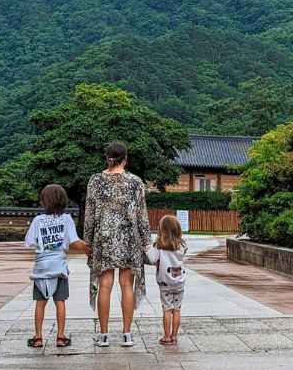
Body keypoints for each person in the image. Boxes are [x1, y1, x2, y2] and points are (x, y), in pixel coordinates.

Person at [83, 141, 150, 348]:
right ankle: (127, 334)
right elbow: (142, 216)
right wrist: (146, 242)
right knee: (126, 284)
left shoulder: (95, 181)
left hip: (103, 238)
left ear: (107, 158)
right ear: (125, 159)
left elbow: (90, 215)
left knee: (105, 284)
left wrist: (88, 241)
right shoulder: (136, 182)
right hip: (129, 239)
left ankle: (103, 335)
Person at [25, 184, 89, 349]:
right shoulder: (66, 219)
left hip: (41, 269)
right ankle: (60, 337)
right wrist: (88, 248)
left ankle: (38, 337)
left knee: (40, 303)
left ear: (44, 201)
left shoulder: (38, 220)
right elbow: (74, 242)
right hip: (59, 268)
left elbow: (29, 242)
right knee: (60, 302)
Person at [146, 214, 187, 345]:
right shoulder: (182, 245)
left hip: (165, 284)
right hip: (179, 283)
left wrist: (147, 248)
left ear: (161, 230)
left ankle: (167, 336)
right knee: (177, 310)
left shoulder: (159, 245)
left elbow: (152, 259)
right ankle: (175, 336)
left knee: (167, 310)